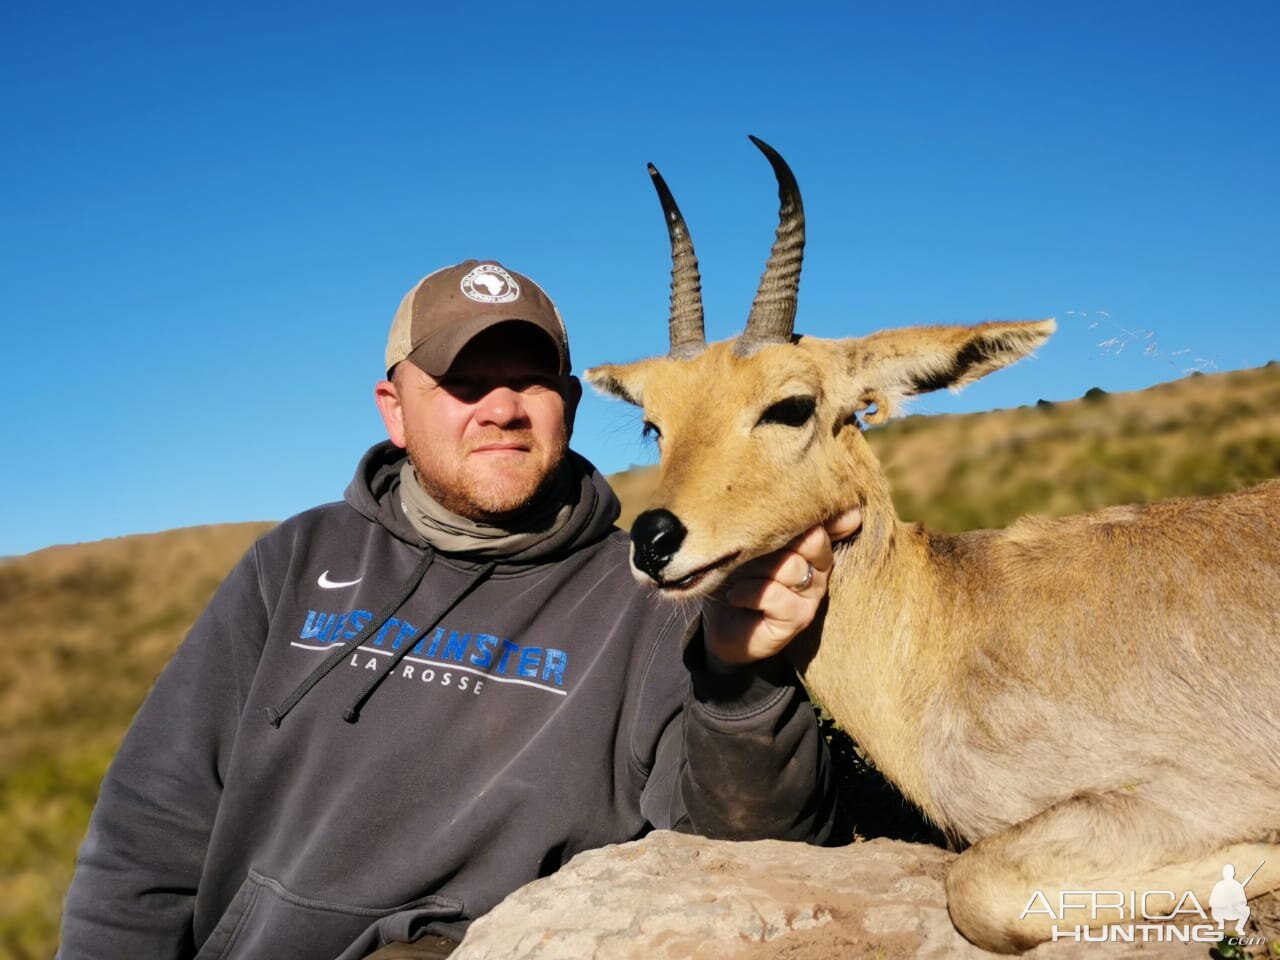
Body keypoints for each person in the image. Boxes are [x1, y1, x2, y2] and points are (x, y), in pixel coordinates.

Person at [57, 260, 858, 960]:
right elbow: (149, 829)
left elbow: (753, 846)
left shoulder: (652, 599)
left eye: (530, 381)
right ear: (394, 409)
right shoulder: (297, 560)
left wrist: (742, 673)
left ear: (570, 405)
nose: (502, 409)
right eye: (462, 383)